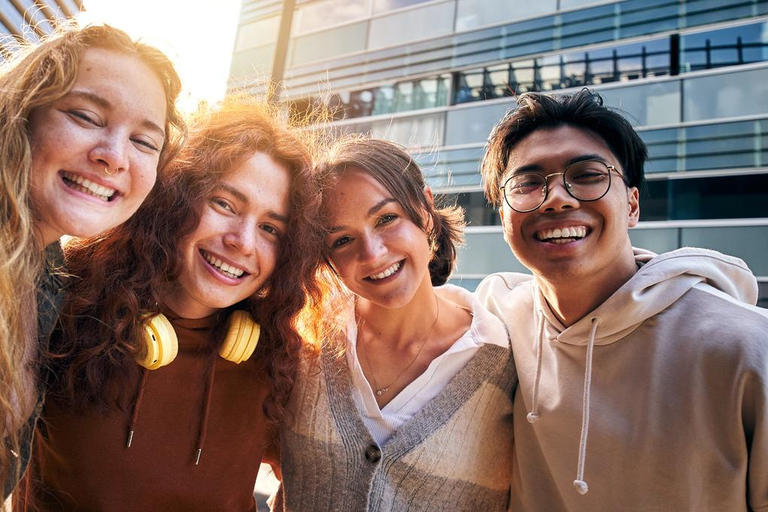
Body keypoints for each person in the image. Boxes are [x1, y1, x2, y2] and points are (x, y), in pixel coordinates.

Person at [16, 97, 322, 511]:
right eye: (225, 204)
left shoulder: (278, 359)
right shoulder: (65, 302)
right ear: (175, 197)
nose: (242, 242)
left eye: (270, 228)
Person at [476, 89, 768, 511]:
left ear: (632, 205)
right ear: (503, 214)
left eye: (588, 175)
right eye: (528, 183)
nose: (557, 197)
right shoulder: (496, 318)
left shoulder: (749, 348)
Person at [275, 138, 517, 511]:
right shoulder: (303, 343)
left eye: (386, 219)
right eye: (342, 240)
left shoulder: (507, 364)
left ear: (425, 209)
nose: (372, 254)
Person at [0, 23, 185, 495]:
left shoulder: (51, 281)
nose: (114, 156)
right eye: (85, 115)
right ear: (21, 115)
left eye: (144, 142)